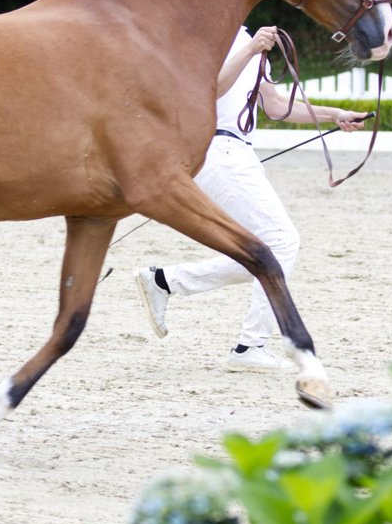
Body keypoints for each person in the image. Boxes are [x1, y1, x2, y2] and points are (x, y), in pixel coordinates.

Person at [134, 25, 368, 372]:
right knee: (282, 241)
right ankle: (250, 346)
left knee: (263, 253)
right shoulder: (210, 36)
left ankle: (165, 281)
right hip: (219, 149)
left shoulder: (251, 44)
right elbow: (208, 91)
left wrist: (335, 114)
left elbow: (275, 107)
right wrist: (250, 49)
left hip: (239, 153)